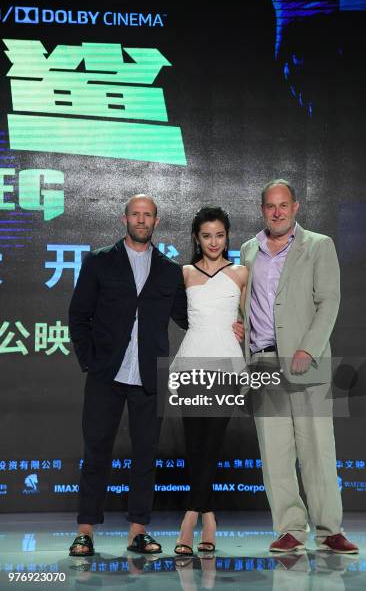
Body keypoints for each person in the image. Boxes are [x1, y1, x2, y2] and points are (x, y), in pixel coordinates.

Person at [240, 180, 359, 554]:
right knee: (275, 454)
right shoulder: (248, 250)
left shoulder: (319, 245)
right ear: (262, 209)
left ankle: (329, 530)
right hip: (262, 360)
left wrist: (308, 348)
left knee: (318, 449)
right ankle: (289, 528)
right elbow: (246, 303)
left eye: (283, 205)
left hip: (306, 360)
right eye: (270, 206)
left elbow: (329, 301)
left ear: (296, 207)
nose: (277, 212)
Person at [68, 194, 188, 556]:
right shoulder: (99, 261)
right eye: (135, 214)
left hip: (149, 377)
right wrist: (91, 361)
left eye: (147, 215)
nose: (141, 220)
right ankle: (85, 531)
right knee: (97, 451)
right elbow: (78, 316)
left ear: (156, 221)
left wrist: (229, 319)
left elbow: (187, 317)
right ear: (124, 219)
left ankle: (139, 531)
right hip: (107, 374)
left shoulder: (170, 270)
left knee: (145, 456)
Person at [171, 206, 248, 556]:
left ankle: (190, 517)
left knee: (213, 443)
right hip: (191, 363)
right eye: (206, 235)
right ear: (196, 238)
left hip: (228, 366)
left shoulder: (242, 273)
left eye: (219, 235)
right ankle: (210, 516)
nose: (213, 241)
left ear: (227, 236)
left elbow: (250, 318)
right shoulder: (184, 273)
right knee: (196, 444)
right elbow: (180, 315)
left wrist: (242, 329)